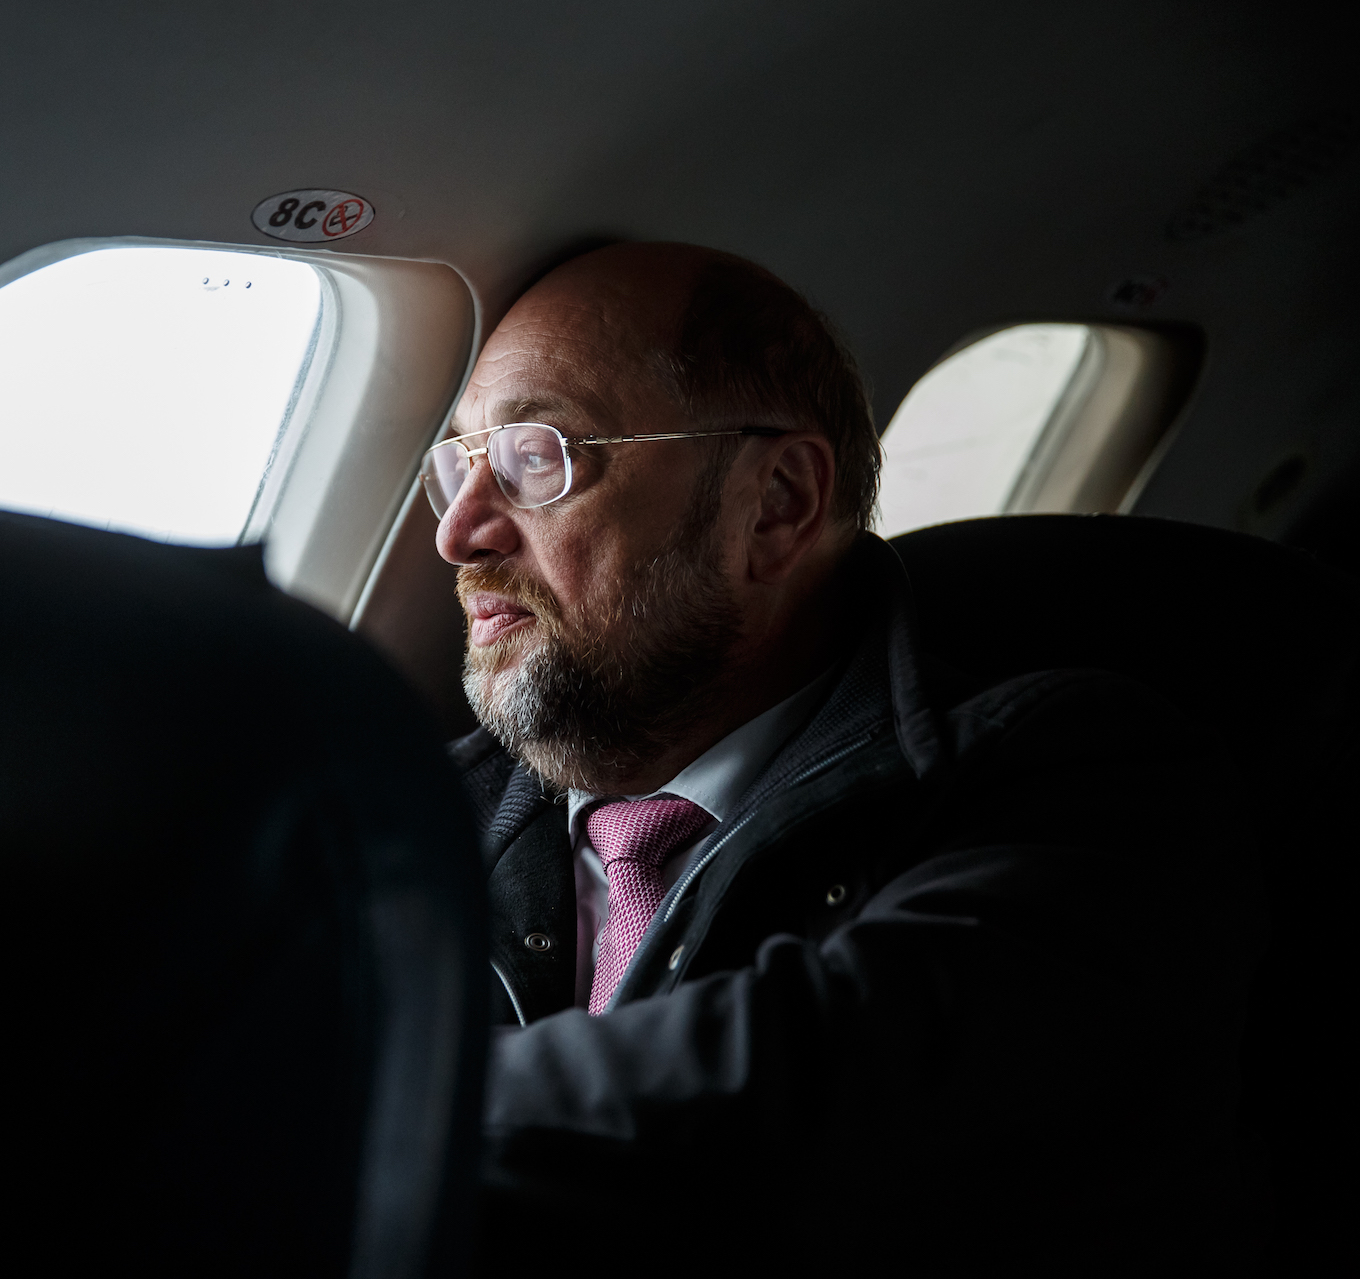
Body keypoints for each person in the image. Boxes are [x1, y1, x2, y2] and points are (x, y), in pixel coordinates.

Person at [428, 243, 1252, 1269]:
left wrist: (357, 1099)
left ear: (772, 504)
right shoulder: (410, 824)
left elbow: (843, 1074)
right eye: (458, 465)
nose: (458, 533)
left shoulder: (1077, 778)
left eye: (536, 457)